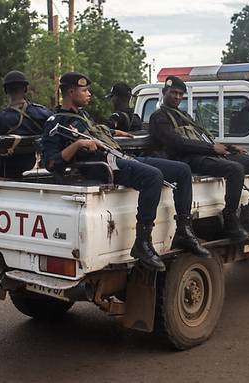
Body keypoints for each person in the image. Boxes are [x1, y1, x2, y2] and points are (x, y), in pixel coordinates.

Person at [41, 72, 209, 271]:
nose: (89, 94)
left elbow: (93, 131)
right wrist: (78, 145)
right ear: (71, 91)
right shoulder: (56, 122)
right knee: (152, 176)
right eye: (84, 90)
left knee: (182, 170)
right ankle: (142, 242)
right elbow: (51, 162)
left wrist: (112, 132)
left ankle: (183, 229)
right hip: (101, 167)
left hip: (118, 158)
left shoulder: (82, 115)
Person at [149, 75, 249, 241]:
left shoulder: (183, 115)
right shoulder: (159, 117)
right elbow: (176, 143)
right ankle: (231, 220)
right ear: (164, 92)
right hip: (187, 158)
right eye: (173, 93)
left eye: (180, 94)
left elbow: (203, 137)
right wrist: (212, 149)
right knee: (235, 169)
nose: (177, 97)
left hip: (206, 152)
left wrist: (230, 148)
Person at [0, 70, 52, 178]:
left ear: (6, 90)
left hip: (0, 167)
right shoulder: (43, 113)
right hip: (28, 163)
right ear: (25, 89)